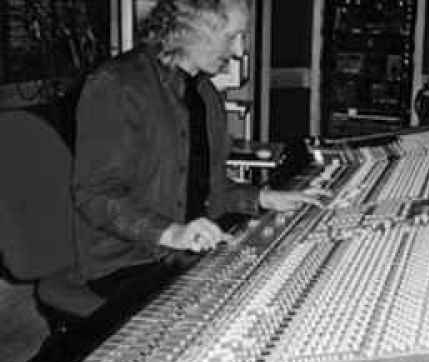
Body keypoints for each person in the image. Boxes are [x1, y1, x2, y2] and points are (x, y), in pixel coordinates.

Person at [72, 0, 326, 303]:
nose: (239, 51)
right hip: (130, 261)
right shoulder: (117, 85)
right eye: (231, 36)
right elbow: (95, 194)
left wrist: (263, 198)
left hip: (187, 250)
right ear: (192, 28)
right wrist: (172, 233)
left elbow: (209, 188)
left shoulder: (206, 94)